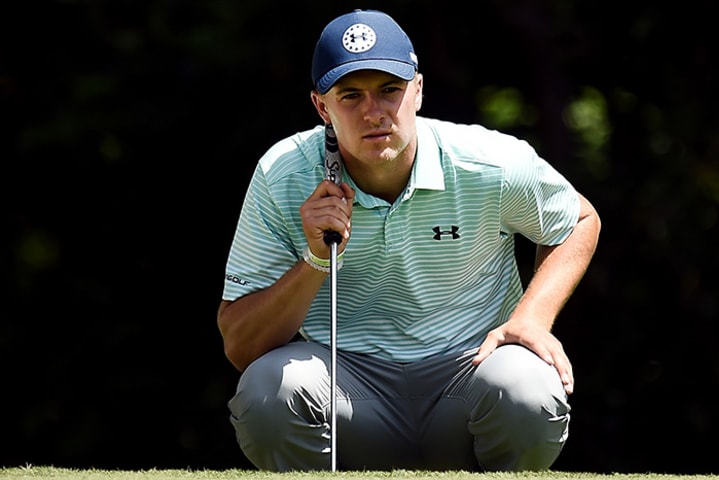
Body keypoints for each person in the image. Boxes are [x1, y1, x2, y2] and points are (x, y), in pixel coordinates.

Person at [217, 8, 601, 472]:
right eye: (351, 95)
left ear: (417, 89)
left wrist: (533, 318)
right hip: (349, 395)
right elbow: (240, 347)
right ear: (322, 107)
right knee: (268, 392)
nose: (373, 112)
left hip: (468, 379)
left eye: (389, 90)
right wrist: (316, 260)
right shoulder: (284, 173)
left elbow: (579, 219)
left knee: (526, 388)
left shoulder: (489, 163)